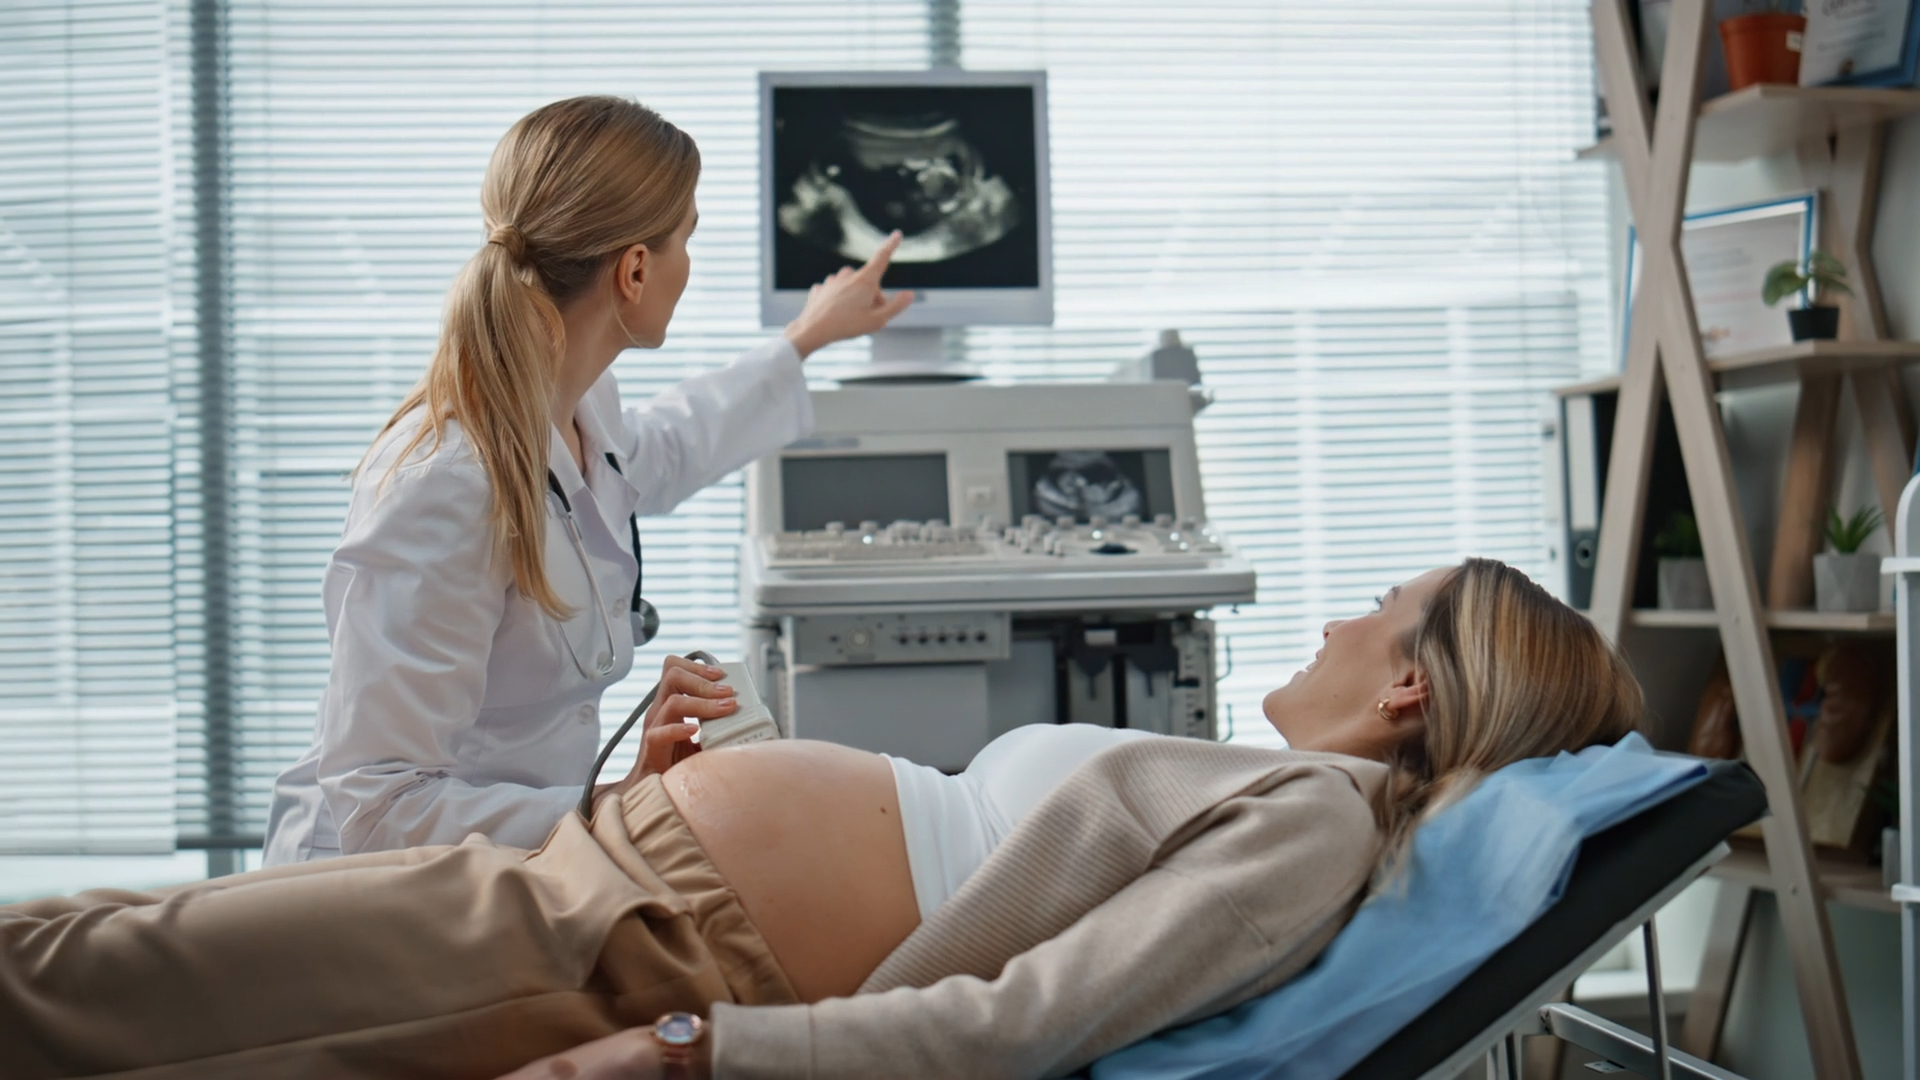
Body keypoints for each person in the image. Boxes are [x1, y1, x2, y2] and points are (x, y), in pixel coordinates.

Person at [0, 560, 1642, 1080]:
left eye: (1378, 607)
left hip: (659, 938)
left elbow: (1025, 1021)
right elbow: (952, 841)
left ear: (1413, 693)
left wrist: (703, 1055)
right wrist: (737, 747)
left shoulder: (1315, 822)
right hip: (624, 871)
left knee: (97, 982)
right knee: (105, 949)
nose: (1341, 618)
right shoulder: (1264, 784)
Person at [262, 95, 912, 864]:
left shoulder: (578, 412)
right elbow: (379, 805)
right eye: (688, 239)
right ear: (636, 270)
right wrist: (615, 799)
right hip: (384, 905)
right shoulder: (444, 485)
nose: (689, 265)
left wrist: (806, 337)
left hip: (527, 865)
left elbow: (669, 444)